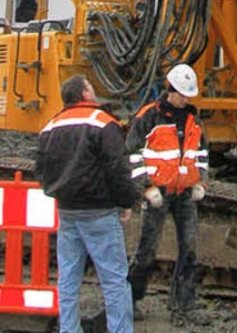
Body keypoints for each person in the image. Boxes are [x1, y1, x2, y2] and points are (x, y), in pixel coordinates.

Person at [35, 74, 135, 333]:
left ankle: (69, 329)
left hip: (67, 211)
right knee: (114, 281)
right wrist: (126, 202)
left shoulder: (50, 126)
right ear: (85, 94)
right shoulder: (102, 122)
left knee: (67, 278)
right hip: (99, 212)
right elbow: (118, 167)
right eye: (91, 86)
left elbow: (40, 169)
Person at [126, 64, 208, 324]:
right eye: (182, 94)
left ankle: (183, 304)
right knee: (146, 251)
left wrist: (201, 183)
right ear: (170, 90)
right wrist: (146, 188)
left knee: (190, 249)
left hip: (184, 193)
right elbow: (131, 154)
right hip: (158, 192)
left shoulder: (194, 120)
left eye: (188, 95)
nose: (186, 99)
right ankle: (129, 301)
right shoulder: (149, 117)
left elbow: (202, 155)